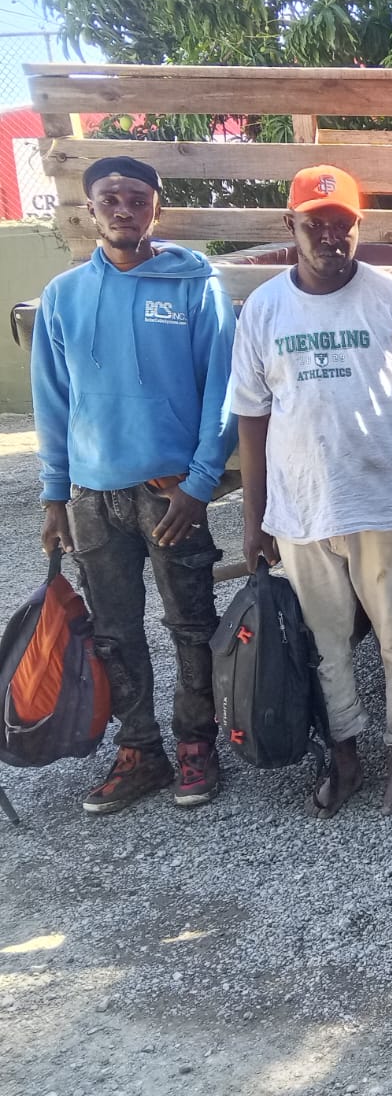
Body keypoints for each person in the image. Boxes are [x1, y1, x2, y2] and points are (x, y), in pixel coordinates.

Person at [231, 165, 392, 816]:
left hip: (386, 503)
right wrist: (254, 518)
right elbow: (252, 417)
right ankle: (346, 755)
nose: (331, 236)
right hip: (301, 507)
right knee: (325, 645)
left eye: (343, 224)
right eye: (316, 224)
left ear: (359, 226)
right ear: (290, 226)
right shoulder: (265, 308)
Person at [32, 156, 237, 814]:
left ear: (156, 208)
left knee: (191, 624)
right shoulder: (63, 296)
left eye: (137, 198)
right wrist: (55, 496)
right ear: (91, 208)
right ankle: (140, 750)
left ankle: (197, 744)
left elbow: (223, 389)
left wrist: (200, 483)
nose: (124, 209)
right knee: (115, 632)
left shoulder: (194, 284)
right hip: (94, 498)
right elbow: (51, 401)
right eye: (110, 198)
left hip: (169, 493)